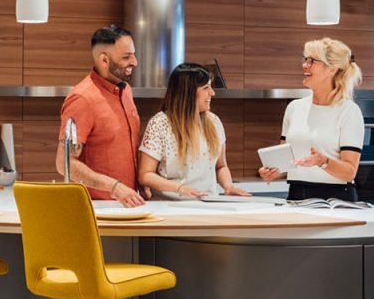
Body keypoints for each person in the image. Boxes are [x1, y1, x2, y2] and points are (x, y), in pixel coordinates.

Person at [259, 38, 364, 201]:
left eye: (312, 61)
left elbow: (350, 171)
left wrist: (322, 161)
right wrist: (273, 171)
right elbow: (286, 162)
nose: (305, 65)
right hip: (296, 194)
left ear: (332, 69)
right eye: (305, 59)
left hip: (336, 198)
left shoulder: (349, 111)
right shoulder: (294, 108)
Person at [55, 24, 145, 207]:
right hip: (96, 206)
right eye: (126, 57)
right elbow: (64, 163)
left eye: (133, 54)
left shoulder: (126, 90)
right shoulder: (82, 99)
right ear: (104, 60)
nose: (134, 62)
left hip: (128, 204)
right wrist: (114, 187)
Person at [138, 63, 249, 199]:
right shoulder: (160, 124)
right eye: (206, 88)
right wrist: (180, 188)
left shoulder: (214, 122)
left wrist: (228, 186)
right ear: (188, 92)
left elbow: (221, 166)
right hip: (169, 207)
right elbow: (145, 175)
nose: (212, 93)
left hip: (209, 205)